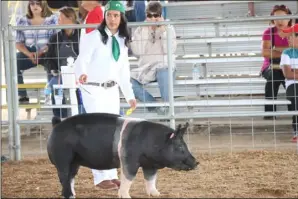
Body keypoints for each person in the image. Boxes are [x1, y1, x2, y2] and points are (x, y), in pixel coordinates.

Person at [73, 0, 137, 189]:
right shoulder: (94, 37)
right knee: (98, 132)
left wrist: (129, 96)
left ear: (121, 17)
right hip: (93, 89)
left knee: (112, 133)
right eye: (109, 15)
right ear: (105, 16)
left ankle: (110, 174)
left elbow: (123, 72)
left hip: (111, 90)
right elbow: (81, 60)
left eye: (116, 15)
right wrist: (81, 73)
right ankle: (100, 178)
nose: (112, 19)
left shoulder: (122, 41)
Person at [129, 1, 177, 115]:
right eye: (150, 15)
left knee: (163, 72)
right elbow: (137, 51)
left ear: (161, 15)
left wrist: (163, 31)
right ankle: (156, 108)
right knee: (128, 83)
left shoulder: (168, 28)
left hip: (164, 66)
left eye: (156, 15)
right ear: (146, 16)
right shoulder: (140, 29)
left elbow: (169, 50)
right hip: (146, 68)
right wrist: (146, 29)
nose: (153, 18)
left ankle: (168, 110)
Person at [44, 6, 85, 118]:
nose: (58, 20)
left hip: (79, 74)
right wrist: (54, 70)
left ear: (70, 18)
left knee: (80, 95)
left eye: (61, 18)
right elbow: (48, 58)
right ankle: (59, 119)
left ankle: (82, 119)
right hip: (59, 74)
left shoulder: (83, 35)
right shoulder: (54, 38)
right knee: (54, 85)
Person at [15, 0, 58, 104]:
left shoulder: (52, 19)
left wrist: (40, 52)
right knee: (14, 61)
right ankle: (22, 95)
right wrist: (29, 54)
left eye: (38, 3)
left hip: (48, 51)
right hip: (30, 52)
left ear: (43, 5)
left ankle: (51, 96)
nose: (35, 6)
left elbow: (55, 40)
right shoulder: (22, 20)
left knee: (52, 62)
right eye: (32, 4)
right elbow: (18, 43)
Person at [261, 5, 292, 119]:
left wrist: (276, 50)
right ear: (272, 19)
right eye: (276, 18)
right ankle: (270, 114)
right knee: (274, 76)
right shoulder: (268, 32)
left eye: (284, 17)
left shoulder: (295, 31)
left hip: (290, 66)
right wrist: (288, 52)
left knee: (291, 79)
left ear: (289, 18)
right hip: (270, 67)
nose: (280, 21)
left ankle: (294, 112)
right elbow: (265, 53)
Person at [280, 23, 298, 143]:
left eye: (291, 36)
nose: (288, 38)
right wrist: (292, 72)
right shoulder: (286, 52)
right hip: (292, 84)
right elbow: (288, 74)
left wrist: (295, 71)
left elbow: (292, 73)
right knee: (296, 98)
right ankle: (296, 130)